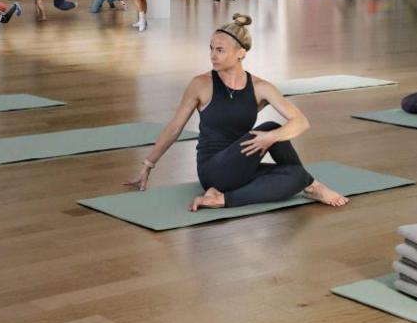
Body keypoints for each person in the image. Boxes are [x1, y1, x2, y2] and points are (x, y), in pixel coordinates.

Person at [125, 14, 347, 212]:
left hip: (244, 166)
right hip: (214, 169)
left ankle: (225, 197)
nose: (213, 55)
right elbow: (174, 128)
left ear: (241, 53)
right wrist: (148, 165)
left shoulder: (260, 87)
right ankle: (231, 196)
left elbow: (301, 121)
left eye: (220, 50)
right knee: (270, 127)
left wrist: (271, 138)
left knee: (297, 175)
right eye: (211, 48)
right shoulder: (201, 84)